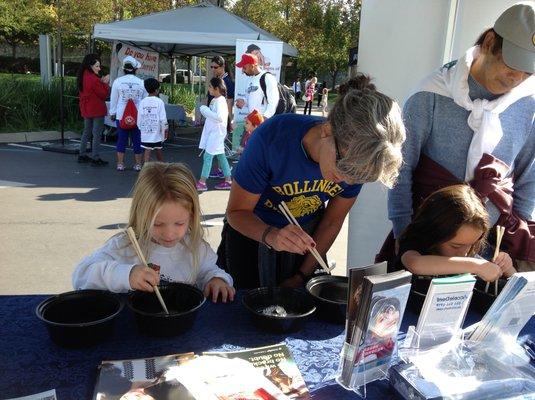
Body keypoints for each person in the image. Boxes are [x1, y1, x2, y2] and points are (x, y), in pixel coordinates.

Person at [217, 74, 406, 289]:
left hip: (307, 240)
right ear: (327, 131)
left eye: (359, 176)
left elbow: (332, 222)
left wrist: (301, 275)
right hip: (252, 232)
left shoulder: (359, 160)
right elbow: (236, 213)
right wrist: (271, 235)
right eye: (343, 167)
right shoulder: (273, 138)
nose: (346, 179)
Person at [386, 2, 535, 271]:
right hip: (430, 245)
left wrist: (514, 241)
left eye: (528, 71)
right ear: (490, 42)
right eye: (512, 65)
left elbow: (527, 178)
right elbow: (400, 170)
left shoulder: (527, 107)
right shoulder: (430, 95)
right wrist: (402, 235)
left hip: (494, 248)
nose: (517, 78)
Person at [72, 162, 235, 303]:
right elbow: (80, 276)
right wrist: (126, 275)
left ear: (191, 216)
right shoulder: (125, 245)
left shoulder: (195, 246)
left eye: (179, 223)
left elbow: (209, 271)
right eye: (157, 224)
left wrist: (216, 280)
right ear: (141, 215)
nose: (169, 234)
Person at [396, 185, 515, 285]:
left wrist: (506, 267)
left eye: (471, 244)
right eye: (456, 246)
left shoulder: (471, 252)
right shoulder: (415, 243)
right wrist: (476, 266)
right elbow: (415, 264)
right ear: (434, 232)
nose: (463, 253)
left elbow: (518, 284)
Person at [109, 55, 147, 171]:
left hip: (121, 115)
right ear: (136, 69)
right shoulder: (141, 82)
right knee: (137, 140)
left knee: (121, 139)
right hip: (138, 116)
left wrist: (112, 112)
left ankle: (120, 164)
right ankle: (138, 164)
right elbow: (145, 100)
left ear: (123, 69)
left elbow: (114, 99)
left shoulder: (117, 82)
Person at [196, 77, 233, 192]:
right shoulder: (217, 100)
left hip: (216, 134)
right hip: (216, 133)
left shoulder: (220, 101)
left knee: (208, 156)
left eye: (210, 87)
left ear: (216, 88)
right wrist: (206, 110)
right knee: (221, 156)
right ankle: (228, 180)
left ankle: (202, 182)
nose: (209, 89)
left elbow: (219, 118)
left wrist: (204, 110)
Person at [76, 53, 110, 166]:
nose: (99, 68)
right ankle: (95, 158)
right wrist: (105, 83)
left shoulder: (83, 76)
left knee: (86, 132)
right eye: (97, 66)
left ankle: (82, 154)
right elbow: (103, 95)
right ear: (90, 66)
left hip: (86, 108)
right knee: (96, 134)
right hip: (96, 109)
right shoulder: (94, 79)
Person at [207, 56, 235, 180]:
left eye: (215, 67)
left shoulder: (227, 81)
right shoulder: (217, 79)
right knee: (219, 146)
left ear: (223, 67)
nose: (213, 69)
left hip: (221, 120)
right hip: (214, 118)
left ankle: (224, 172)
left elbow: (229, 102)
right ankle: (222, 170)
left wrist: (229, 120)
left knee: (218, 146)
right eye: (211, 67)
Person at [234, 53, 279, 119]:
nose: (243, 71)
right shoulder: (250, 80)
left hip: (264, 122)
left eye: (244, 67)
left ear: (252, 66)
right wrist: (243, 102)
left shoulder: (267, 78)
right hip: (253, 122)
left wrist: (264, 120)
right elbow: (253, 99)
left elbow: (274, 102)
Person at [137, 78, 168, 163]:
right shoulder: (159, 102)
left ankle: (145, 170)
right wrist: (164, 131)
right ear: (157, 90)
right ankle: (162, 168)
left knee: (147, 151)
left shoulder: (142, 102)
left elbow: (139, 118)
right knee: (159, 150)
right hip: (157, 132)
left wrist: (141, 128)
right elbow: (163, 119)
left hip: (145, 131)